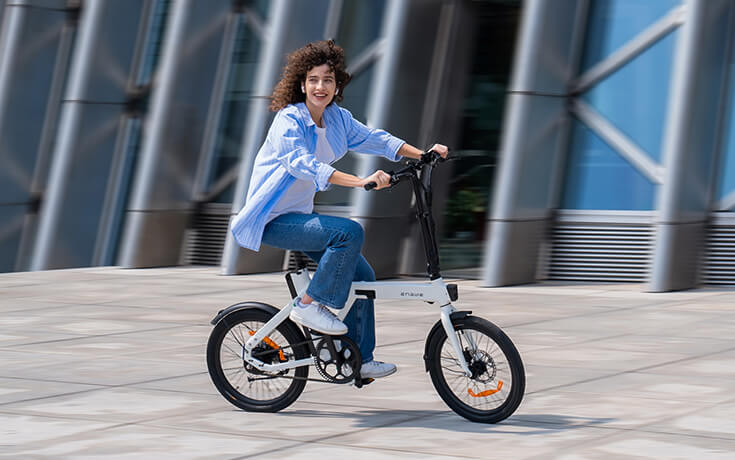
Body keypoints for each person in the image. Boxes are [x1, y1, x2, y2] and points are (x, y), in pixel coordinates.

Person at [231, 40, 448, 379]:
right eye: (314, 80)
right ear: (302, 84)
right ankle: (309, 306)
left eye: (328, 80)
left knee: (363, 277)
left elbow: (375, 138)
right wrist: (360, 182)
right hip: (271, 220)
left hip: (299, 219)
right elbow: (303, 165)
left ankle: (358, 358)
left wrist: (421, 154)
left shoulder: (336, 119)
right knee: (348, 232)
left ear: (337, 86)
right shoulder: (289, 121)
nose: (321, 87)